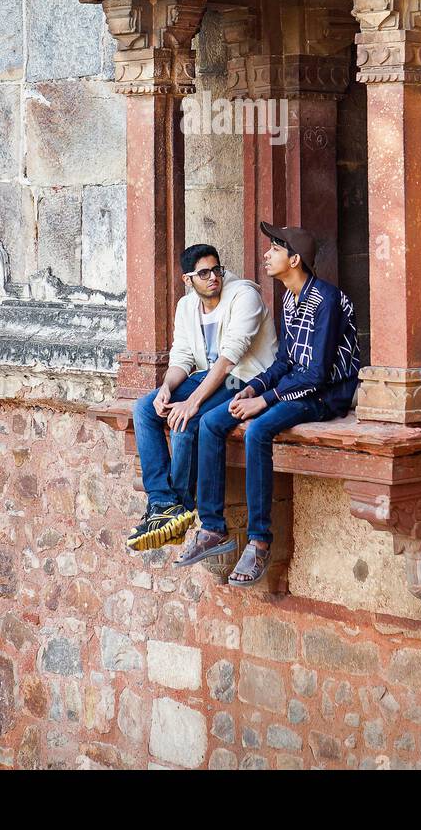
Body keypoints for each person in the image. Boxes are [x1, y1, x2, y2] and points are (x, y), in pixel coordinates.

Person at [176, 222, 360, 586]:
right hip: (294, 386)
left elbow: (317, 375)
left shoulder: (324, 300)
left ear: (294, 259)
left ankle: (259, 540)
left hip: (324, 396)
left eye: (275, 249)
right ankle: (212, 527)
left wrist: (264, 400)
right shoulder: (291, 299)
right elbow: (284, 363)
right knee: (213, 422)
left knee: (257, 429)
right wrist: (253, 388)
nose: (266, 254)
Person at [127, 243, 278, 551]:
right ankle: (162, 503)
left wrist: (192, 401)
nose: (213, 278)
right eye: (204, 273)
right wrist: (168, 387)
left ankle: (181, 505)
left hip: (246, 378)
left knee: (186, 419)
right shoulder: (186, 307)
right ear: (188, 279)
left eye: (216, 270)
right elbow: (182, 356)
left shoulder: (244, 295)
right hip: (207, 376)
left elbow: (230, 357)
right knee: (144, 408)